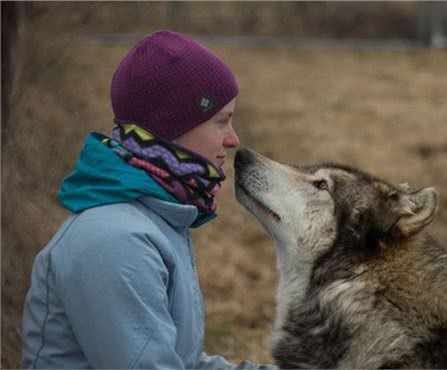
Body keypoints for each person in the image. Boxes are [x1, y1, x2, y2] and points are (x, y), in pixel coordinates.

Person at [21, 30, 276, 370]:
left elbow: (184, 364)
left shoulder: (153, 221)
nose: (233, 139)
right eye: (222, 121)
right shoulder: (115, 242)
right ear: (172, 127)